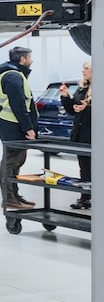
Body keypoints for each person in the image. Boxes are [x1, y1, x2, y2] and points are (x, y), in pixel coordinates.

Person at [0, 46, 39, 210]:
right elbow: (18, 104)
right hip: (12, 125)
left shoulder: (16, 74)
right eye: (29, 57)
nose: (31, 60)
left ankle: (14, 195)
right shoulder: (12, 76)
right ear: (23, 59)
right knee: (10, 162)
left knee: (16, 162)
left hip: (13, 125)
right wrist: (28, 128)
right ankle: (8, 198)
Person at [60, 60, 92, 210]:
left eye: (86, 68)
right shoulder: (82, 88)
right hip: (81, 134)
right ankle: (85, 198)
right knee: (84, 167)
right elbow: (72, 110)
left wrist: (87, 109)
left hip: (95, 134)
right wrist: (65, 97)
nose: (83, 71)